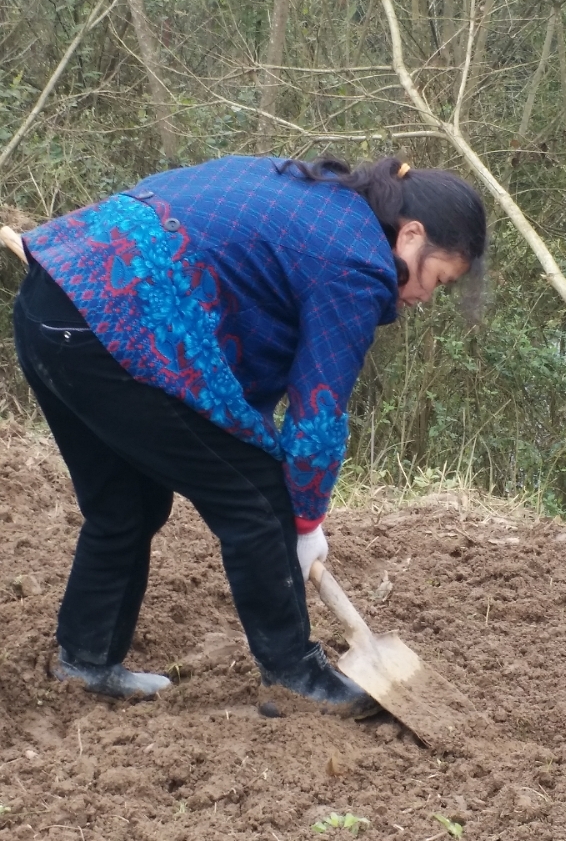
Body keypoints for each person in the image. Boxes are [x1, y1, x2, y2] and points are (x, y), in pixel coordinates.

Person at [12, 155, 486, 712]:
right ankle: (294, 676)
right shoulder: (357, 265)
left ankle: (86, 659)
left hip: (54, 307)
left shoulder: (316, 195)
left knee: (128, 503)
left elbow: (236, 341)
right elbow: (318, 414)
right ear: (411, 235)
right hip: (115, 327)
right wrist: (304, 519)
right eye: (436, 278)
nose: (424, 297)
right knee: (259, 499)